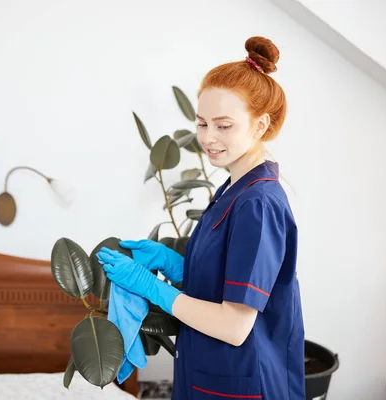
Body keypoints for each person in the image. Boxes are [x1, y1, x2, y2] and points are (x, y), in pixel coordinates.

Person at [97, 36, 305, 399]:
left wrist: (152, 287)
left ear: (259, 125)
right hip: (211, 376)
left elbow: (235, 326)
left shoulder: (258, 203)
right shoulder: (233, 189)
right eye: (202, 123)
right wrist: (172, 262)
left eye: (224, 125)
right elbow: (223, 280)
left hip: (243, 383)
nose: (208, 138)